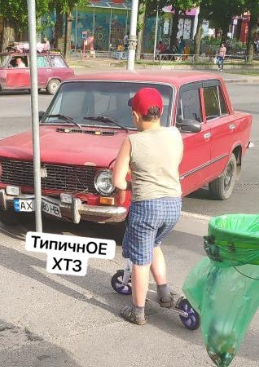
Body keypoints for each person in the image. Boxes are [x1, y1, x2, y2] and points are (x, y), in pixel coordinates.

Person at [112, 88, 184, 325]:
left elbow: (118, 181)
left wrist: (134, 185)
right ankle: (163, 293)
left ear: (135, 115)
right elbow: (175, 163)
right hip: (173, 205)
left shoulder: (132, 141)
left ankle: (138, 311)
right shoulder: (174, 134)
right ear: (160, 111)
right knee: (155, 245)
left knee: (140, 261)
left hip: (147, 207)